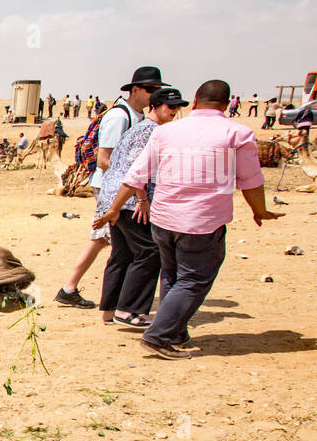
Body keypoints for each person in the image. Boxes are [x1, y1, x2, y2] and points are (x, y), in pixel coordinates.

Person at [106, 80, 283, 359]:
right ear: (226, 105)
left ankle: (175, 331)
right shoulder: (237, 133)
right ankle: (159, 336)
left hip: (163, 220)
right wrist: (258, 210)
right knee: (193, 279)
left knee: (173, 276)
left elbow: (136, 174)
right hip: (201, 222)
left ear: (196, 101)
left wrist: (115, 207)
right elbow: (251, 180)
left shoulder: (167, 132)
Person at [55, 66, 162, 309]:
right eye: (149, 90)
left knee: (109, 242)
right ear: (135, 89)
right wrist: (134, 185)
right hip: (113, 189)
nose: (153, 95)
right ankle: (71, 289)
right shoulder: (119, 117)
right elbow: (105, 160)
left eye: (157, 90)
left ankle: (85, 293)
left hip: (124, 189)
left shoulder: (137, 116)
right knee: (110, 242)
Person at [92, 87, 189, 328]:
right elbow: (137, 169)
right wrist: (143, 199)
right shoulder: (151, 131)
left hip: (115, 197)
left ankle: (110, 309)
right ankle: (128, 310)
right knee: (149, 252)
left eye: (177, 107)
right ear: (154, 106)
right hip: (130, 200)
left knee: (122, 254)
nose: (174, 112)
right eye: (170, 107)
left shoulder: (139, 128)